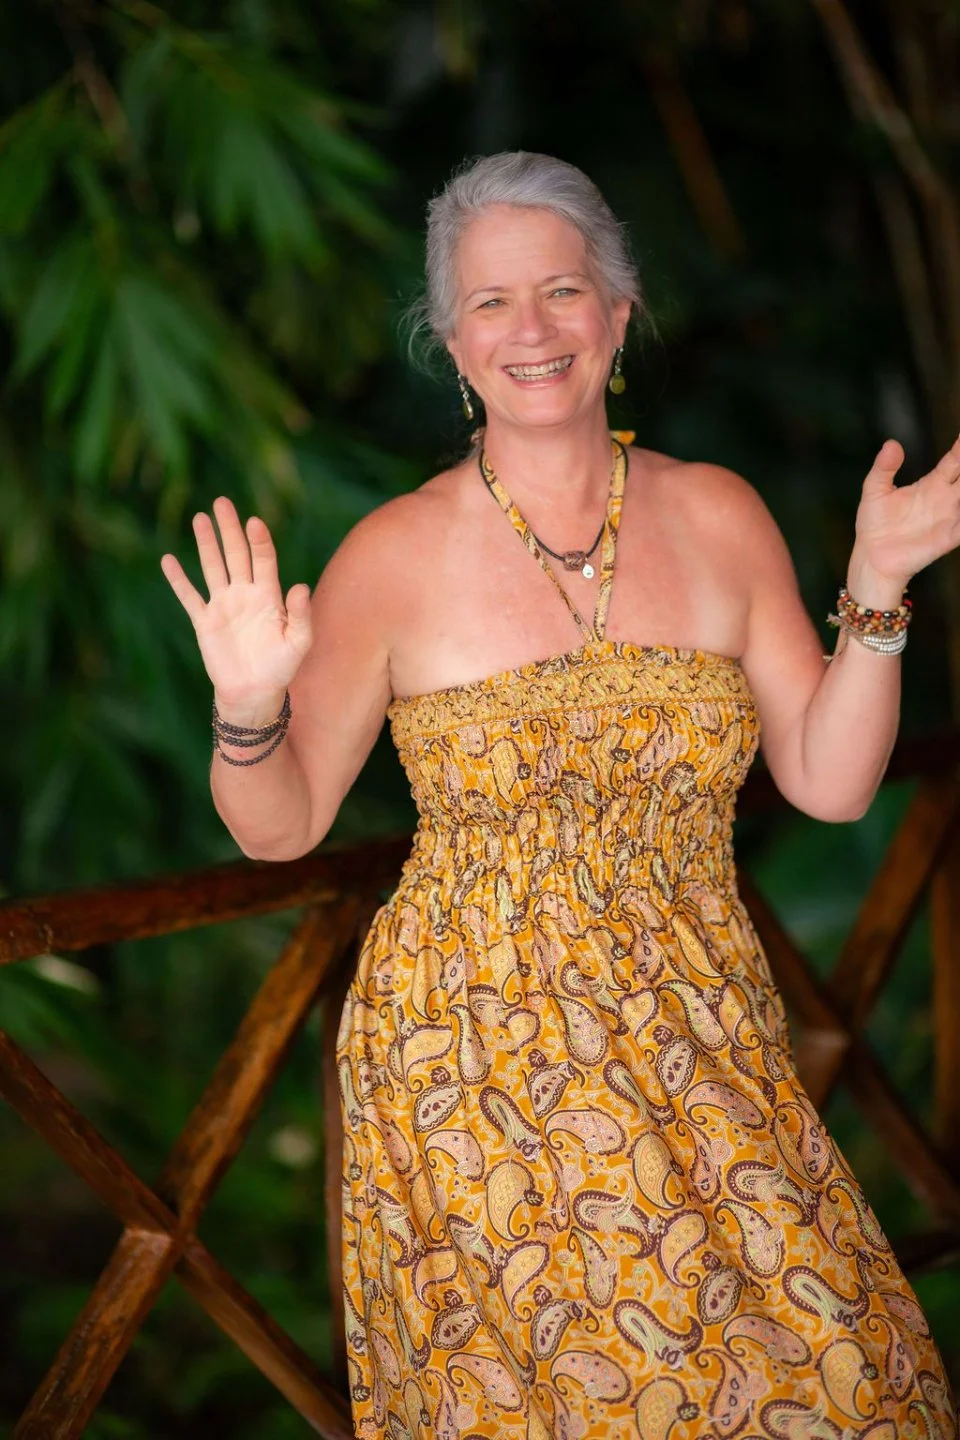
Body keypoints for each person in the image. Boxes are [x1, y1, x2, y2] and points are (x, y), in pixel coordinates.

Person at [161, 152, 958, 1439]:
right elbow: (282, 826)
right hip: (469, 1061)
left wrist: (876, 582)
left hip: (705, 1036)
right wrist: (250, 705)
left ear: (619, 316)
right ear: (453, 347)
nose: (529, 330)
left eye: (561, 292)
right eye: (489, 305)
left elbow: (829, 778)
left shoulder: (718, 516)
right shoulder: (397, 554)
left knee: (844, 1382)